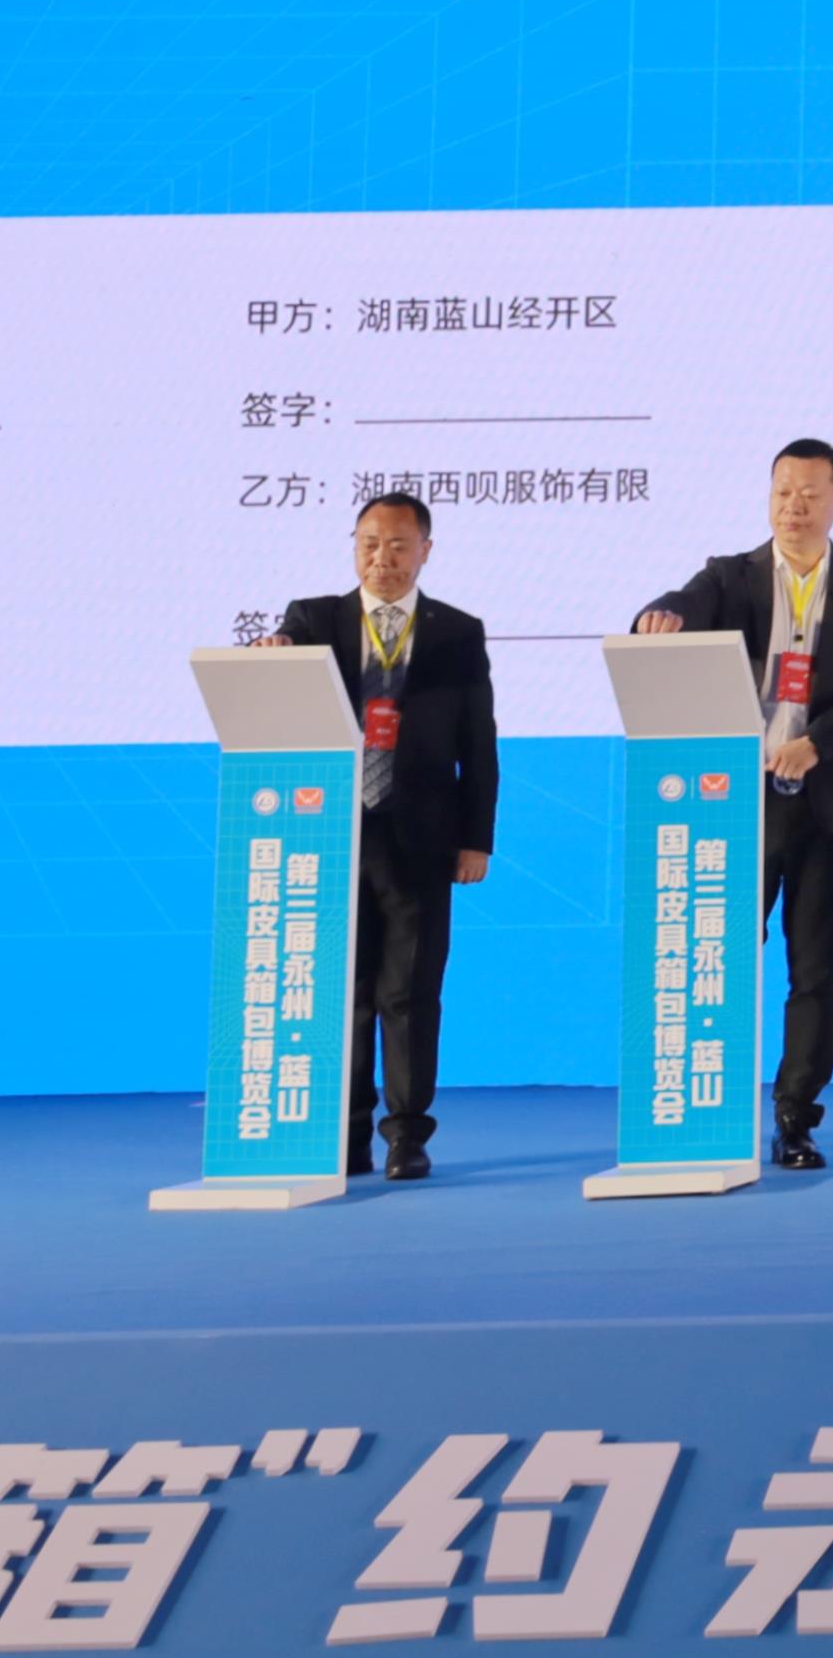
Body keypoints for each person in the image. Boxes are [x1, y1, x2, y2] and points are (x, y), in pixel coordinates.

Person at [632, 439, 833, 1173]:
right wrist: (660, 614)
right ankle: (708, 1102)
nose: (794, 507)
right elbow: (682, 604)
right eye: (783, 492)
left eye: (811, 494)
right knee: (719, 955)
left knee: (816, 968)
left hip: (831, 804)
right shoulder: (731, 576)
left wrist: (816, 743)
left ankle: (795, 1117)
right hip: (737, 808)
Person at [265, 492, 495, 1182]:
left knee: (411, 991)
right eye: (369, 543)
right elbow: (281, 654)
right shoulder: (315, 620)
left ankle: (407, 1135)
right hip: (333, 833)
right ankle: (347, 1135)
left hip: (422, 835)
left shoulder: (458, 631)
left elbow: (478, 744)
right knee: (349, 991)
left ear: (425, 550)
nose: (382, 558)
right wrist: (276, 650)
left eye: (397, 545)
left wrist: (476, 837)